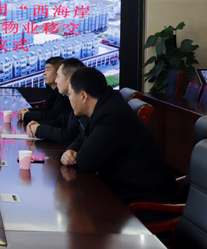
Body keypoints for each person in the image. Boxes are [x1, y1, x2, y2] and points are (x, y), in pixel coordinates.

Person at [60, 67, 179, 205]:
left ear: (83, 96)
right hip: (123, 187)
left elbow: (85, 161)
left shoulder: (112, 114)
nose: (69, 99)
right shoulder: (101, 105)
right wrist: (70, 151)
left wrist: (75, 156)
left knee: (79, 204)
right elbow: (82, 136)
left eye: (70, 94)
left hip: (146, 198)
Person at [25, 58, 86, 144]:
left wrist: (39, 129)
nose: (56, 80)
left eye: (58, 76)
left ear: (69, 80)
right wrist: (37, 125)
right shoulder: (65, 98)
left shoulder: (81, 103)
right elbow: (60, 121)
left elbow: (69, 136)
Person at [17, 56, 64, 122]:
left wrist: (26, 115)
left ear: (58, 72)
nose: (44, 73)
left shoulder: (63, 94)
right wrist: (27, 111)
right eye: (45, 70)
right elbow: (45, 109)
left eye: (48, 70)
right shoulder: (51, 89)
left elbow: (51, 116)